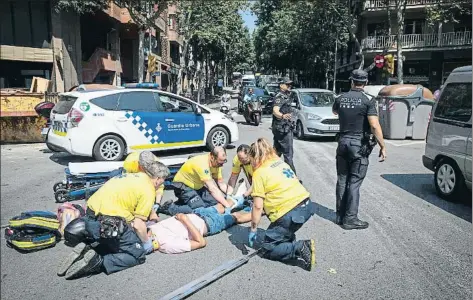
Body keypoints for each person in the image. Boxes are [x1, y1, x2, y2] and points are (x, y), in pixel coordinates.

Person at [57, 155, 170, 279]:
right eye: (162, 182)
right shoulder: (148, 190)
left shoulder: (129, 175)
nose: (160, 186)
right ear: (158, 179)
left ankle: (89, 248)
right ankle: (97, 261)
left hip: (90, 216)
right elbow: (138, 225)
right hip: (108, 223)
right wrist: (146, 242)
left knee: (119, 238)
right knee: (136, 254)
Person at [248, 138, 316, 271]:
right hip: (306, 205)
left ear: (255, 157)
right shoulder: (280, 163)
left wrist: (253, 229)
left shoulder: (259, 173)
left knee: (267, 249)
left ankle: (299, 247)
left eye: (251, 161)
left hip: (290, 213)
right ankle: (288, 238)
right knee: (280, 229)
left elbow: (257, 206)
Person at [332, 69, 387, 230]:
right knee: (354, 183)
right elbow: (375, 125)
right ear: (366, 83)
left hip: (342, 143)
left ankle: (340, 216)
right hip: (358, 146)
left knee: (342, 180)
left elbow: (335, 111)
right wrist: (383, 146)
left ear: (351, 81)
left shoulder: (340, 98)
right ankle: (350, 219)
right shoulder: (368, 100)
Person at [159, 147, 244, 216]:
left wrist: (230, 195)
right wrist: (227, 204)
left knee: (214, 202)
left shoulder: (216, 164)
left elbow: (220, 183)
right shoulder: (202, 164)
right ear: (212, 157)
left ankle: (184, 202)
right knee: (199, 209)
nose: (221, 165)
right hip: (183, 187)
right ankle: (169, 207)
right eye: (219, 163)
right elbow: (212, 188)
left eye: (223, 162)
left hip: (197, 186)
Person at [148, 204, 251, 254]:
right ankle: (261, 210)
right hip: (209, 224)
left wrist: (153, 210)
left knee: (222, 206)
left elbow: (152, 219)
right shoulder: (166, 245)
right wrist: (185, 219)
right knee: (236, 216)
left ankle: (245, 200)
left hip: (198, 213)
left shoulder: (150, 229)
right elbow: (201, 242)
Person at [272, 79, 296, 173]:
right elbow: (275, 110)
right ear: (281, 85)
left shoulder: (286, 96)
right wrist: (282, 116)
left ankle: (271, 175)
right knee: (288, 155)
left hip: (281, 128)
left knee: (276, 154)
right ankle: (294, 179)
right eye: (287, 84)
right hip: (283, 129)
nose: (290, 86)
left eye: (290, 84)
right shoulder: (280, 97)